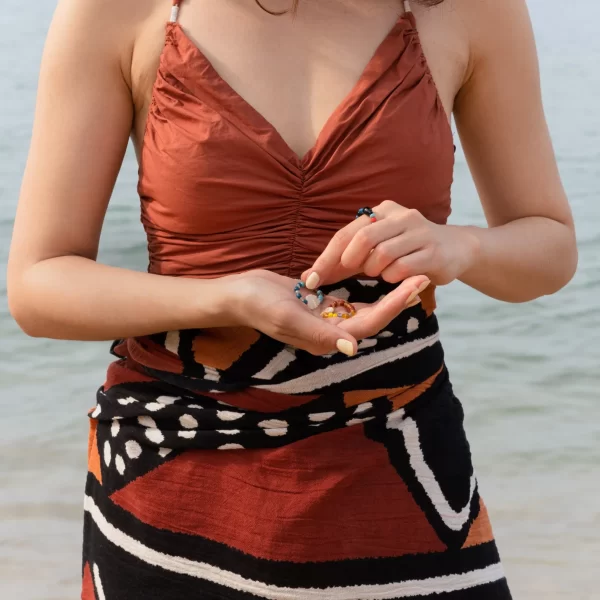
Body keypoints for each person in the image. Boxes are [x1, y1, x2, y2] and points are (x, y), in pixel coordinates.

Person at [8, 0, 576, 598]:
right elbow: (39, 286)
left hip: (401, 471)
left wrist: (459, 248)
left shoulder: (469, 11)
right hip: (171, 479)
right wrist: (226, 299)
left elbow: (549, 246)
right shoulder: (120, 11)